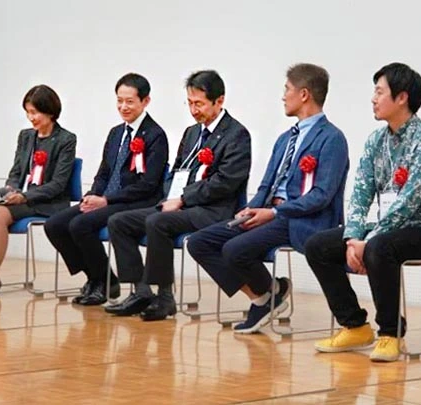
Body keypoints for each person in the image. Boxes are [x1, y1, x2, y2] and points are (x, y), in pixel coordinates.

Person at [305, 62, 421, 362]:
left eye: (379, 92)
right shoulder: (376, 140)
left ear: (401, 98)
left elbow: (408, 203)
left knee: (379, 247)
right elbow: (360, 193)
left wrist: (369, 239)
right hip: (388, 229)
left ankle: (390, 333)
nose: (373, 99)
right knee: (318, 246)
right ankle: (354, 325)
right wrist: (352, 238)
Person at [187, 63, 349, 334]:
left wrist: (275, 213)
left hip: (301, 219)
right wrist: (251, 209)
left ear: (304, 94)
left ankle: (267, 297)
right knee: (199, 242)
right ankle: (266, 295)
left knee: (234, 249)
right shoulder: (286, 138)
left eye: (287, 89)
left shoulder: (332, 139)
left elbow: (321, 196)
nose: (283, 96)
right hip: (270, 215)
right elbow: (266, 186)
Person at [105, 70, 252, 321]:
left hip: (213, 209)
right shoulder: (192, 133)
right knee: (119, 222)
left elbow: (224, 183)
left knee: (158, 222)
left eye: (199, 104)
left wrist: (183, 199)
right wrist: (171, 196)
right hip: (181, 204)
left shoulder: (236, 134)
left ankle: (165, 297)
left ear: (219, 101)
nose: (194, 110)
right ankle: (141, 291)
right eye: (190, 103)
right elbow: (176, 170)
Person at [44, 73, 169, 306]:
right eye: (119, 101)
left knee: (80, 225)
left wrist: (106, 200)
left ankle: (103, 282)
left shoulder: (155, 135)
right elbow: (104, 173)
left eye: (130, 101)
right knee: (55, 225)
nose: (123, 107)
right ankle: (98, 276)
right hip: (107, 199)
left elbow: (148, 184)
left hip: (135, 201)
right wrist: (93, 195)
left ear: (145, 101)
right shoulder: (115, 133)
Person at [0, 85, 77, 299]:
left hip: (49, 202)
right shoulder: (26, 136)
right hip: (24, 199)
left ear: (50, 112)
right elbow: (16, 172)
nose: (31, 118)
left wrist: (24, 196)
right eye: (28, 112)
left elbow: (58, 184)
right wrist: (11, 189)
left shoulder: (66, 139)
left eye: (35, 112)